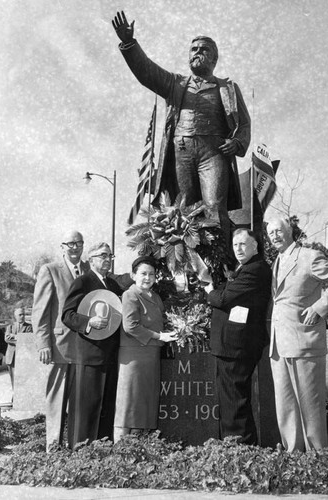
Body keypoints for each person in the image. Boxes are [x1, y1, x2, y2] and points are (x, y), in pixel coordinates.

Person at [111, 11, 251, 246]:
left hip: (213, 153)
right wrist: (129, 43)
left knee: (214, 207)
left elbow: (244, 123)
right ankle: (185, 267)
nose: (198, 52)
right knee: (182, 208)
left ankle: (218, 263)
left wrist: (237, 142)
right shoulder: (175, 83)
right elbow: (146, 71)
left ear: (214, 59)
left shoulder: (227, 87)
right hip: (181, 151)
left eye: (204, 49)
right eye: (194, 49)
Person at [266, 217, 328, 452]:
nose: (274, 236)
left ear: (290, 231)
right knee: (285, 405)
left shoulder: (309, 256)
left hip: (304, 341)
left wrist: (319, 308)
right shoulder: (276, 261)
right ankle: (294, 457)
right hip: (278, 344)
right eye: (270, 233)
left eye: (279, 231)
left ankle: (317, 457)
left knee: (310, 405)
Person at [204, 229, 272, 444]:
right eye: (235, 245)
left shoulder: (255, 269)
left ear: (255, 246)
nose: (239, 249)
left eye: (243, 244)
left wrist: (208, 289)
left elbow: (223, 299)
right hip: (232, 345)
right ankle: (237, 447)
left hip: (237, 346)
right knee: (231, 401)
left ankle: (240, 450)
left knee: (235, 402)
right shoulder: (245, 268)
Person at [61, 242, 125, 448]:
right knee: (86, 407)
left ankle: (103, 451)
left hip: (111, 355)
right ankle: (80, 451)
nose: (108, 260)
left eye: (110, 256)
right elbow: (67, 315)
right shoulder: (83, 282)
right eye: (103, 255)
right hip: (89, 355)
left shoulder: (114, 286)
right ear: (91, 260)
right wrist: (89, 322)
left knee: (106, 406)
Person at [32, 229, 90, 450]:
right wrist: (43, 344)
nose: (75, 247)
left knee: (80, 399)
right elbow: (40, 310)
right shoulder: (50, 270)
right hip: (59, 347)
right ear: (62, 247)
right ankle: (53, 447)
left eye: (79, 243)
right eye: (70, 244)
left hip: (86, 346)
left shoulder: (88, 269)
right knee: (57, 400)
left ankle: (77, 445)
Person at [113, 256, 177, 442]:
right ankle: (120, 450)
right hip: (133, 357)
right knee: (129, 404)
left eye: (151, 274)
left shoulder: (155, 297)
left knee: (144, 404)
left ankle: (140, 448)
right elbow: (130, 326)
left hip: (151, 355)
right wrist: (159, 336)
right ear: (133, 275)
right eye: (143, 273)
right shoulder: (130, 295)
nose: (147, 277)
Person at [5, 307, 32, 393]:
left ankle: (21, 398)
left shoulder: (29, 327)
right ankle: (14, 398)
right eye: (20, 315)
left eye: (23, 314)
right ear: (15, 316)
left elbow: (28, 339)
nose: (22, 316)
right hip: (11, 357)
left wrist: (15, 336)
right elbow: (7, 339)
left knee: (23, 379)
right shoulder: (10, 327)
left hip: (23, 357)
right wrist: (21, 339)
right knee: (13, 378)